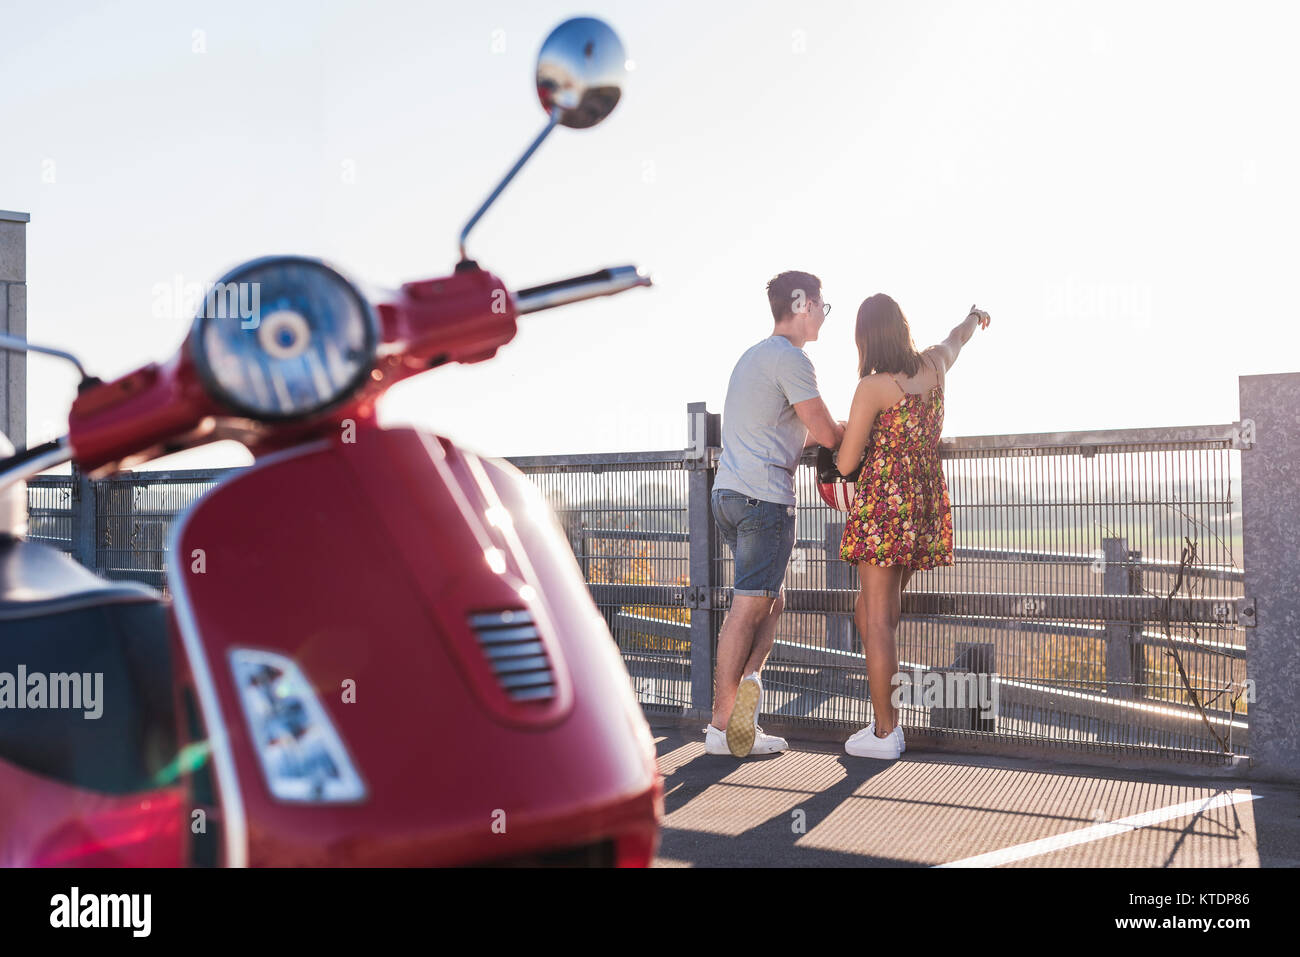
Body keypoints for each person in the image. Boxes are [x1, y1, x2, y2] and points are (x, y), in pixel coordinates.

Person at [835, 295, 991, 759]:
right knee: (871, 611)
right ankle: (883, 717)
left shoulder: (873, 387)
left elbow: (845, 464)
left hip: (885, 503)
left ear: (865, 338)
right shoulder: (935, 364)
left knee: (877, 617)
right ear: (902, 329)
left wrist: (850, 430)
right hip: (921, 500)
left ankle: (887, 733)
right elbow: (956, 338)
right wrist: (975, 317)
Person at [707, 270, 846, 757]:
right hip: (763, 498)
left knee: (770, 600)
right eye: (822, 308)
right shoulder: (792, 360)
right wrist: (853, 431)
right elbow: (827, 434)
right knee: (749, 608)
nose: (823, 318)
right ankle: (723, 727)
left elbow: (791, 430)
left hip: (729, 492)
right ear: (802, 303)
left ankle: (742, 708)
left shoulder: (753, 357)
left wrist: (828, 427)